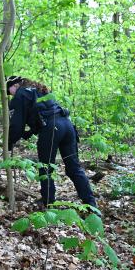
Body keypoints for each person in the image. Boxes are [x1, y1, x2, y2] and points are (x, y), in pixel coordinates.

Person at [6, 76, 97, 210]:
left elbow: (16, 125)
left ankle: (49, 205)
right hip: (67, 125)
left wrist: (9, 142)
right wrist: (29, 133)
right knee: (74, 168)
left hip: (51, 130)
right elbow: (43, 113)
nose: (10, 95)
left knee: (45, 168)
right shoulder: (38, 89)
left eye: (9, 91)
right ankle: (91, 205)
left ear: (14, 85)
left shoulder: (20, 95)